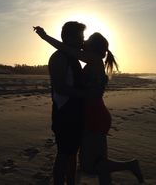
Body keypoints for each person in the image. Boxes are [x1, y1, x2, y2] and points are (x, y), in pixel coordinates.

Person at [34, 25, 144, 185]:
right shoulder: (86, 61)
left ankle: (130, 165)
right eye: (82, 37)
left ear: (92, 47)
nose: (83, 41)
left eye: (86, 39)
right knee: (98, 161)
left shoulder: (92, 59)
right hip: (92, 113)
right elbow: (66, 56)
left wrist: (45, 37)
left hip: (95, 114)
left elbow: (65, 48)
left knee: (90, 165)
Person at [40, 21, 103, 185]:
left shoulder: (74, 57)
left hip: (78, 112)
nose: (83, 41)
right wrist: (86, 94)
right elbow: (60, 87)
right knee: (63, 154)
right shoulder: (59, 57)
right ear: (69, 37)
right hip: (65, 113)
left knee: (73, 153)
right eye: (81, 37)